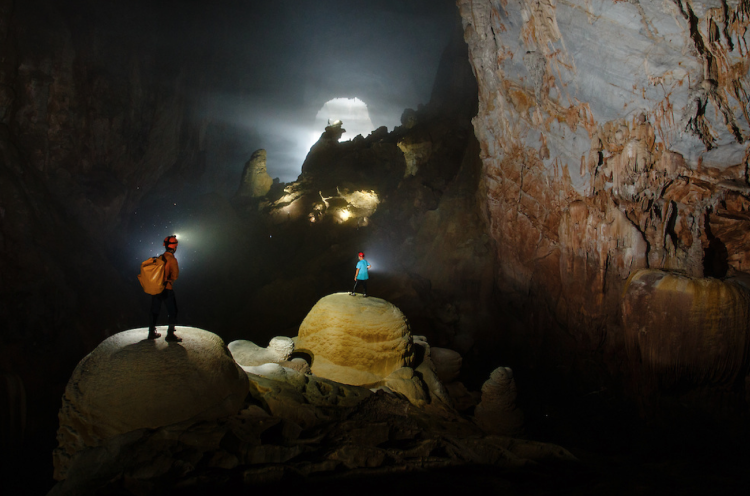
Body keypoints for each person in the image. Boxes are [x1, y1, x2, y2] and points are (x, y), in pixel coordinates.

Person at [148, 235, 182, 342]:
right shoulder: (172, 259)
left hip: (156, 288)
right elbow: (175, 275)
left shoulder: (159, 258)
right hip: (167, 289)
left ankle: (151, 332)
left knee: (155, 310)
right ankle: (170, 334)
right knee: (173, 311)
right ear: (174, 247)